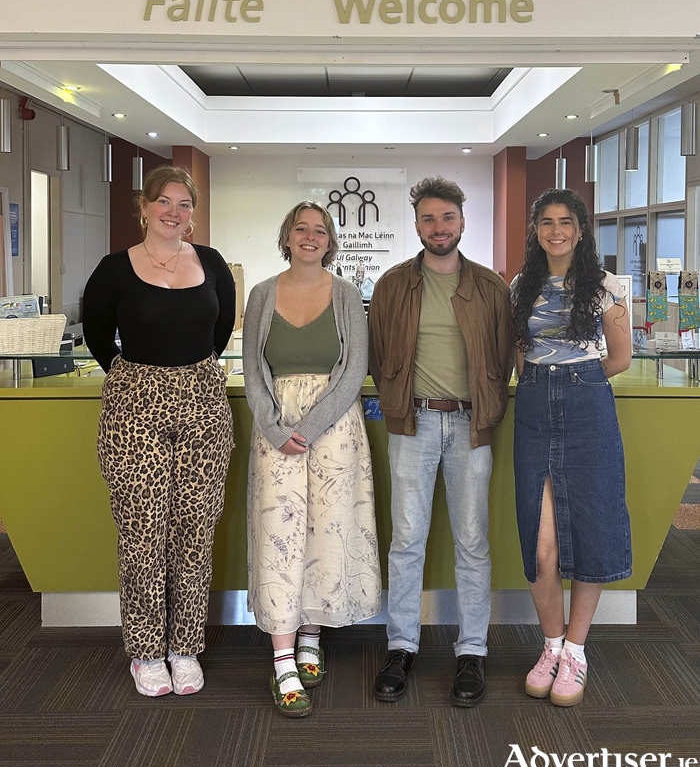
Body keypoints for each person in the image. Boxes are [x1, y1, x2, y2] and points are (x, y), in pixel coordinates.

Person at [83, 165, 235, 698]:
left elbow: (220, 331)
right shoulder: (114, 269)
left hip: (203, 402)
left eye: (184, 204)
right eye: (164, 202)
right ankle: (146, 651)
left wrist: (185, 376)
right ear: (143, 207)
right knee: (143, 531)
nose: (174, 212)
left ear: (193, 213)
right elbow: (99, 335)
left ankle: (184, 646)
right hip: (133, 404)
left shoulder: (211, 263)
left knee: (196, 527)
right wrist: (143, 377)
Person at [368, 176, 513, 706]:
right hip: (414, 425)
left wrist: (487, 406)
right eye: (428, 219)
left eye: (447, 218)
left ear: (462, 222)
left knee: (472, 543)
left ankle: (471, 651)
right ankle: (401, 646)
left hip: (472, 428)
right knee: (407, 541)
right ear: (416, 225)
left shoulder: (492, 289)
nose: (438, 228)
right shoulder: (391, 286)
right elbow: (379, 354)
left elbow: (502, 358)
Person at [243, 201, 381, 718]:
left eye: (319, 230)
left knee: (327, 530)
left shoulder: (346, 295)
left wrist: (311, 425)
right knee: (279, 534)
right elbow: (252, 369)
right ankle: (282, 659)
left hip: (335, 429)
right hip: (273, 428)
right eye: (300, 228)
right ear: (287, 236)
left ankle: (311, 635)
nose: (309, 236)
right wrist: (278, 428)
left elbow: (355, 368)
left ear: (330, 241)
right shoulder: (261, 294)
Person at [511, 188, 632, 707]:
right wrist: (544, 384)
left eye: (565, 222)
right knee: (541, 546)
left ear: (580, 231)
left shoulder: (605, 286)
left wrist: (575, 379)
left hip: (588, 406)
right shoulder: (521, 284)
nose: (555, 230)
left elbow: (621, 358)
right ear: (535, 231)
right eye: (546, 222)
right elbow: (519, 355)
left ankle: (576, 652)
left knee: (590, 527)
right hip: (533, 407)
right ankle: (551, 645)